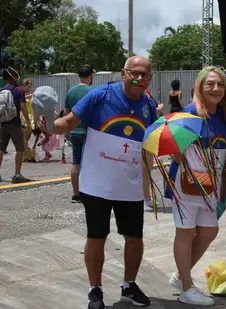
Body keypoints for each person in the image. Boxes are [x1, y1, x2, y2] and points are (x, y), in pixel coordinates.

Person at [39, 56, 155, 309]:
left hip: (130, 185)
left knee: (134, 238)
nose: (140, 79)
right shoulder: (99, 96)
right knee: (96, 236)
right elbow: (68, 122)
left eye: (146, 75)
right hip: (97, 183)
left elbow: (151, 141)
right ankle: (95, 290)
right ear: (123, 73)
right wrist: (49, 127)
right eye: (134, 73)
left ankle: (129, 286)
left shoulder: (148, 104)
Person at [165, 66, 226, 305]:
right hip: (187, 185)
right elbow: (171, 146)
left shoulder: (225, 116)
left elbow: (223, 157)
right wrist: (176, 154)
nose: (215, 88)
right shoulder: (190, 112)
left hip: (211, 187)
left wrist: (223, 189)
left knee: (209, 230)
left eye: (220, 84)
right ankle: (186, 287)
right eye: (210, 84)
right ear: (200, 87)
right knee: (185, 232)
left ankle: (180, 275)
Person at [64, 65, 94, 203]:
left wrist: (66, 130)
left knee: (76, 163)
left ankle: (76, 194)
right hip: (89, 132)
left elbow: (66, 114)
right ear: (90, 76)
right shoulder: (92, 92)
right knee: (89, 163)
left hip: (74, 132)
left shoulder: (70, 92)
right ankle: (88, 192)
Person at [0, 67, 31, 183]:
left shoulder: (1, 90)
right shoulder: (19, 90)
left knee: (1, 149)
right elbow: (23, 107)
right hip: (15, 123)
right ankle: (17, 175)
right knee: (20, 149)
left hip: (2, 124)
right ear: (15, 77)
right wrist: (27, 120)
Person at [20, 78, 37, 162]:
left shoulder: (29, 94)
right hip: (24, 117)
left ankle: (26, 155)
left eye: (30, 87)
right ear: (24, 85)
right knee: (25, 139)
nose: (29, 88)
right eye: (28, 86)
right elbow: (20, 104)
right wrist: (27, 96)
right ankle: (28, 156)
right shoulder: (21, 93)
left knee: (27, 138)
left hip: (31, 117)